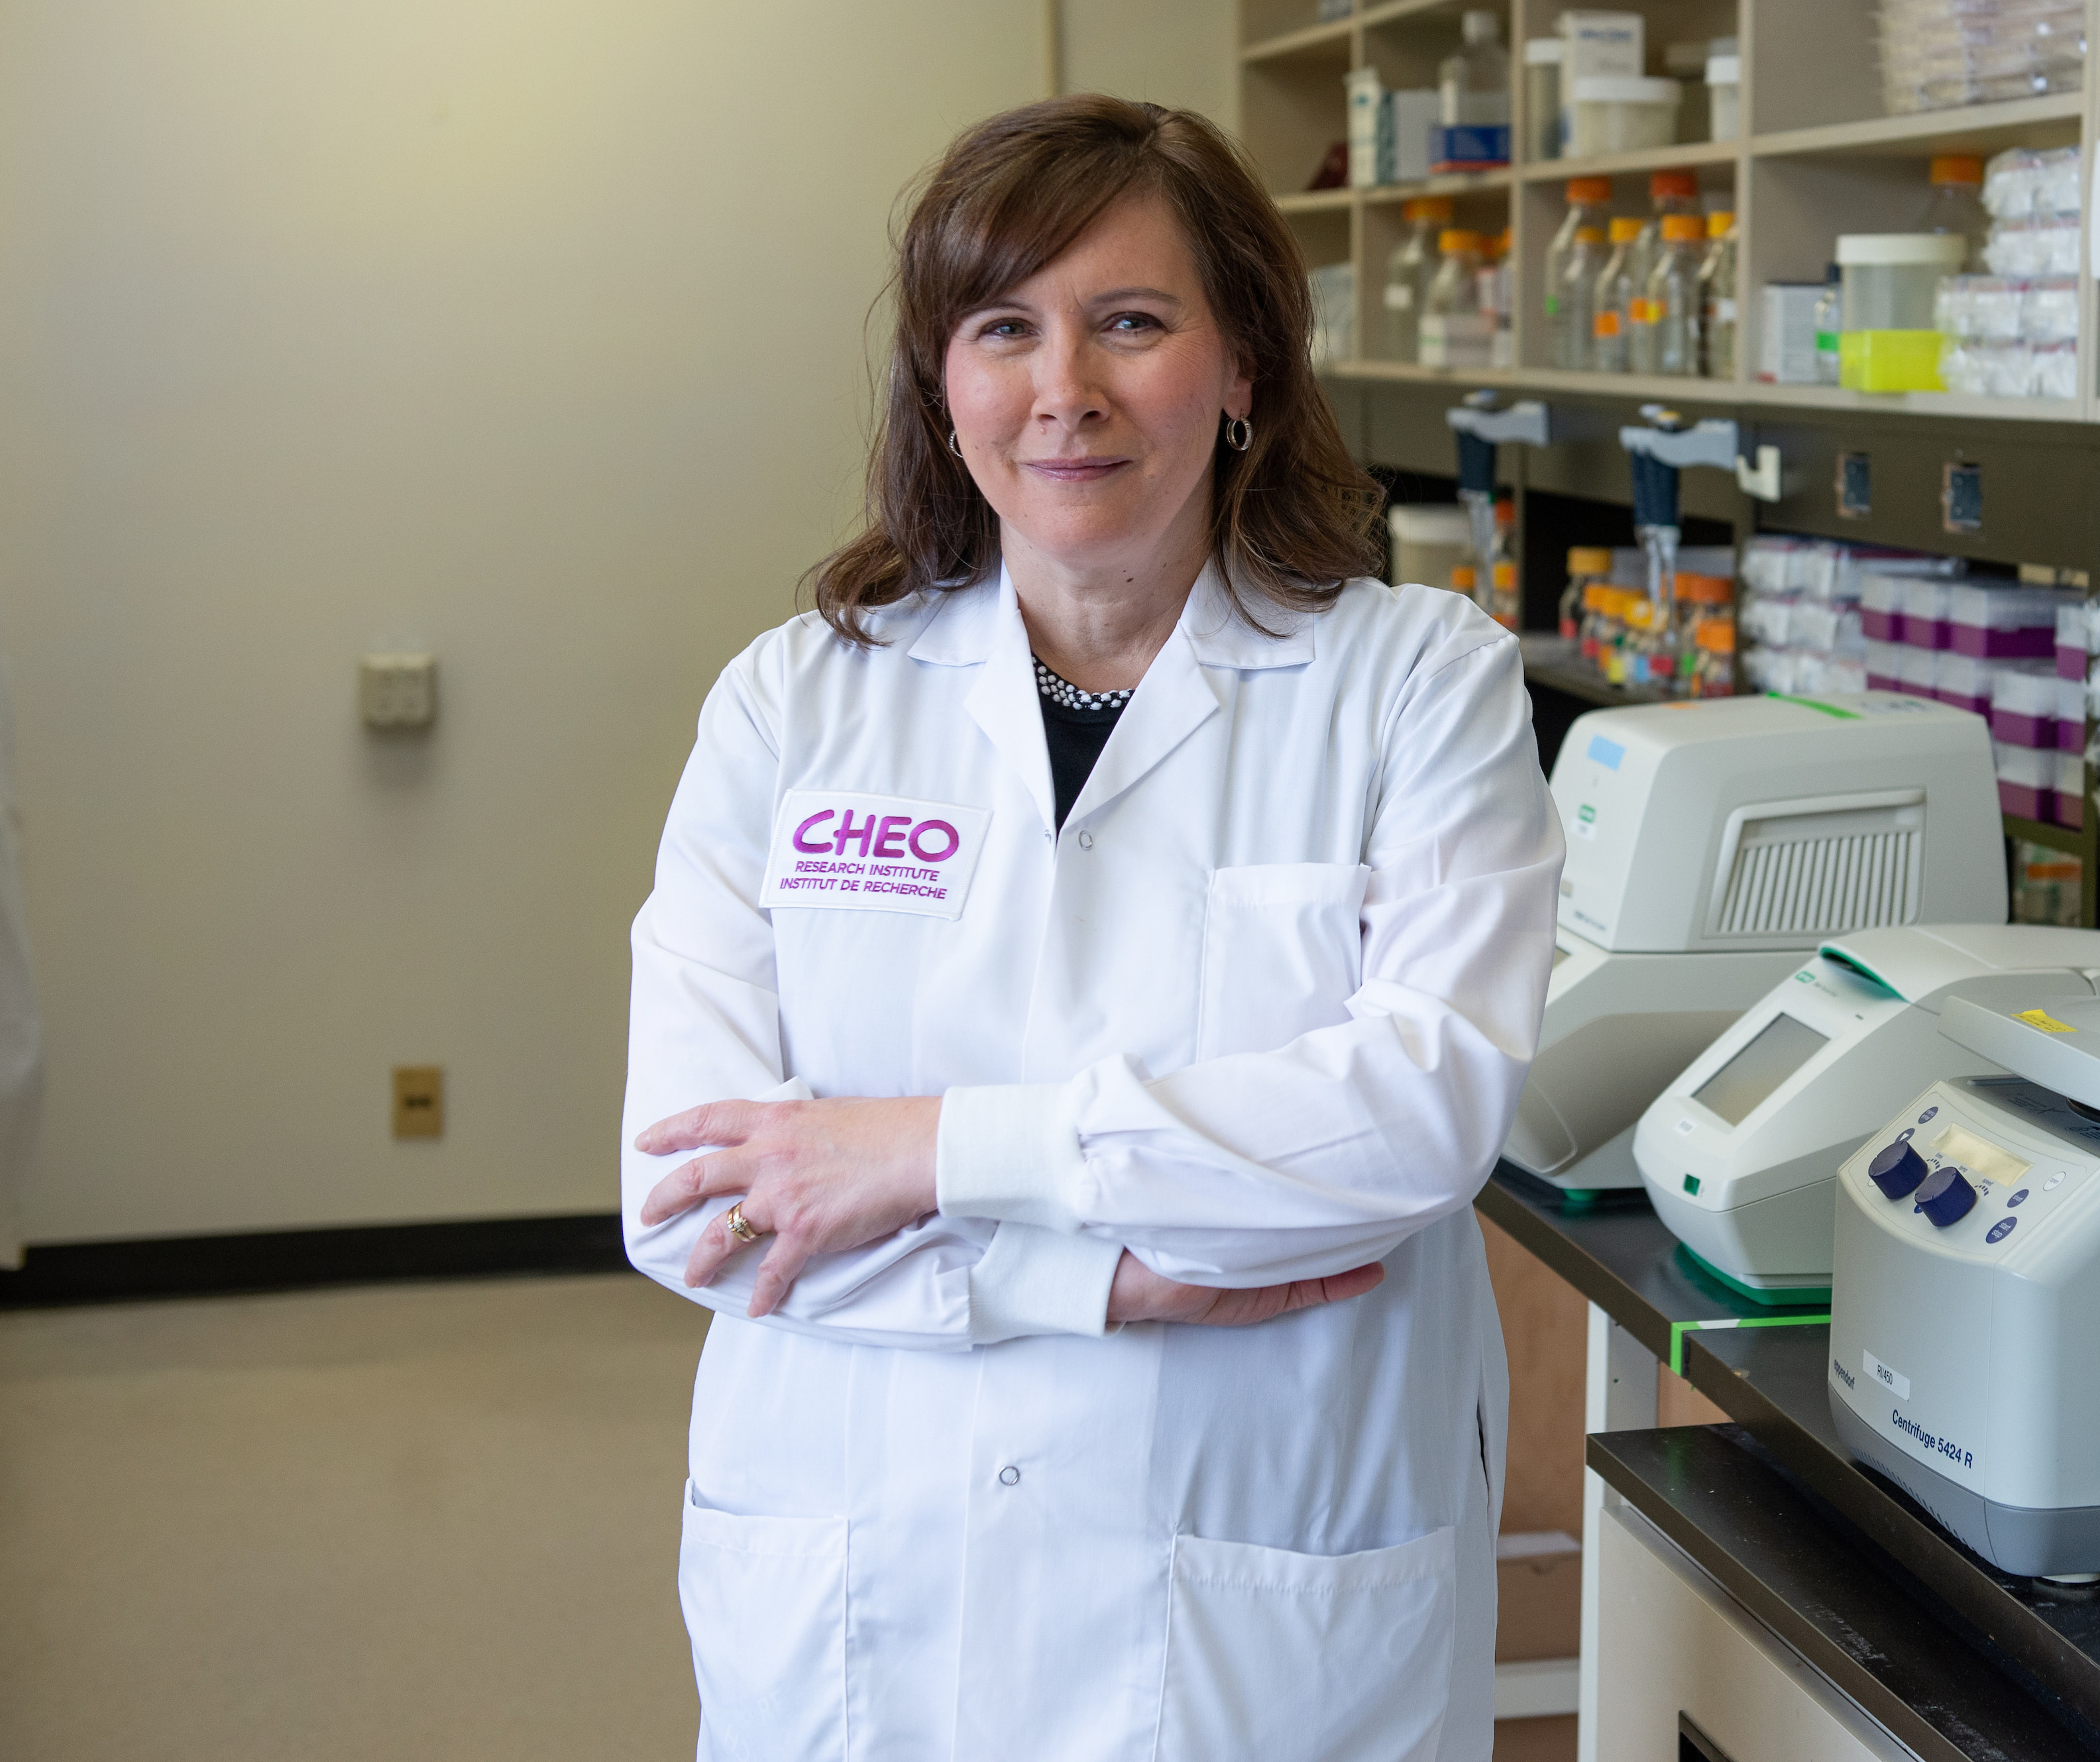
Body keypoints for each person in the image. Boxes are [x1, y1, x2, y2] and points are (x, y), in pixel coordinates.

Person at [620, 95, 1561, 1762]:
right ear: (944, 382)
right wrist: (1100, 1281)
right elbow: (694, 1202)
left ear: (1245, 364)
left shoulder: (1417, 685)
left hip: (1257, 1582)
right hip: (865, 1571)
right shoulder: (795, 705)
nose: (1067, 391)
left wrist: (918, 1152)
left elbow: (1415, 1122)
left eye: (1132, 322)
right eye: (1006, 330)